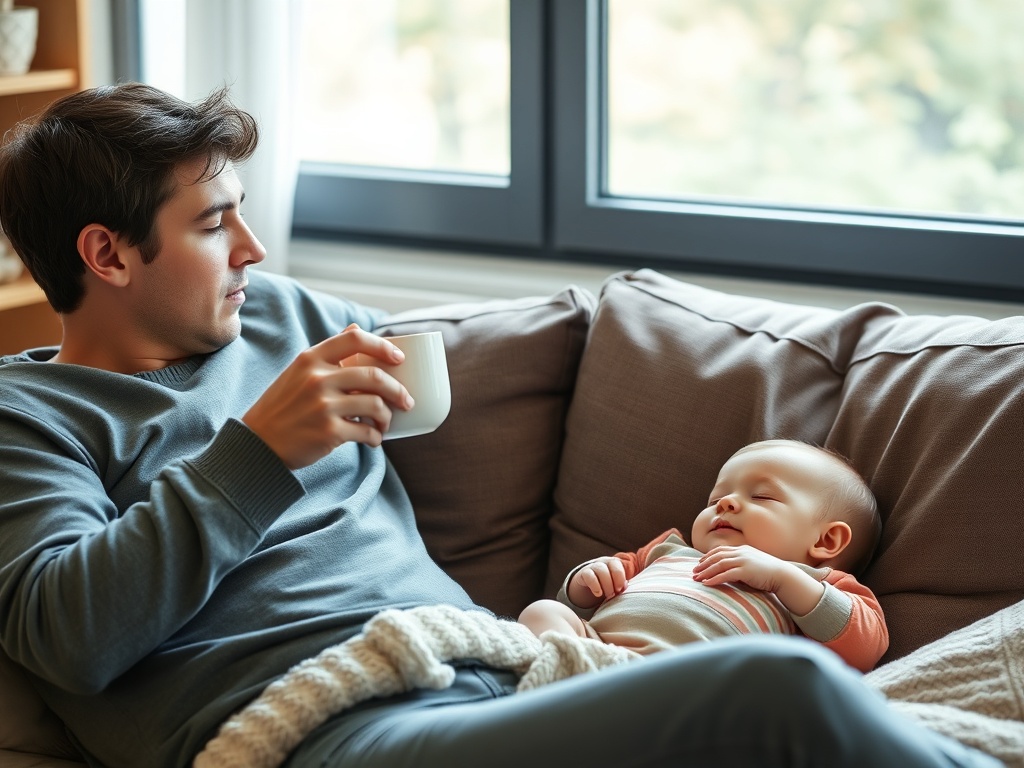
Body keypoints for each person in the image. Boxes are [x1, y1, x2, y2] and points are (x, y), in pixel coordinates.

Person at [0, 83, 998, 768]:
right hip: (319, 734)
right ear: (108, 254)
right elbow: (69, 637)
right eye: (214, 225)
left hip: (491, 675)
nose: (255, 249)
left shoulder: (284, 318)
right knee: (768, 692)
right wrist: (259, 452)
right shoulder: (29, 417)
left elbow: (431, 367)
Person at [518, 440, 888, 672]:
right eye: (715, 499)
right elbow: (581, 601)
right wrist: (588, 581)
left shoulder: (815, 584)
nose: (725, 503)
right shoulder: (669, 549)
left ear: (825, 540)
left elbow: (865, 648)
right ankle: (565, 673)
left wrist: (782, 577)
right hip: (594, 649)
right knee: (542, 612)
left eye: (761, 496)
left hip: (691, 677)